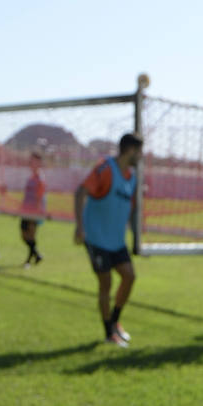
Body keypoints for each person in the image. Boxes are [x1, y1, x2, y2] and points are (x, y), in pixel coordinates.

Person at [74, 132, 143, 346]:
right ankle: (108, 333)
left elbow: (130, 211)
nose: (141, 157)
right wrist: (80, 227)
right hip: (96, 238)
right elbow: (80, 192)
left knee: (130, 277)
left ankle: (114, 321)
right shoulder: (105, 168)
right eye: (139, 152)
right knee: (106, 283)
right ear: (131, 150)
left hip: (116, 242)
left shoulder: (131, 179)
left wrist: (137, 239)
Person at [20, 150, 47, 265]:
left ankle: (30, 259)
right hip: (26, 210)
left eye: (34, 160)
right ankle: (37, 255)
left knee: (31, 234)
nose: (31, 163)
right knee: (24, 234)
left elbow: (40, 196)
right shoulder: (31, 177)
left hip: (34, 211)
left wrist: (37, 211)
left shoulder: (40, 177)